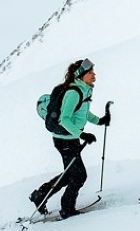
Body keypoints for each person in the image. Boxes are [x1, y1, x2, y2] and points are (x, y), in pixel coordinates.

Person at [31, 58, 111, 217]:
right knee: (79, 175)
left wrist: (99, 121)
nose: (94, 74)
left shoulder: (83, 89)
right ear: (81, 75)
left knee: (71, 174)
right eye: (90, 72)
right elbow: (64, 119)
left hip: (69, 138)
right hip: (64, 139)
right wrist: (82, 134)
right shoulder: (74, 92)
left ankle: (41, 194)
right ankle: (66, 209)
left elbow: (82, 112)